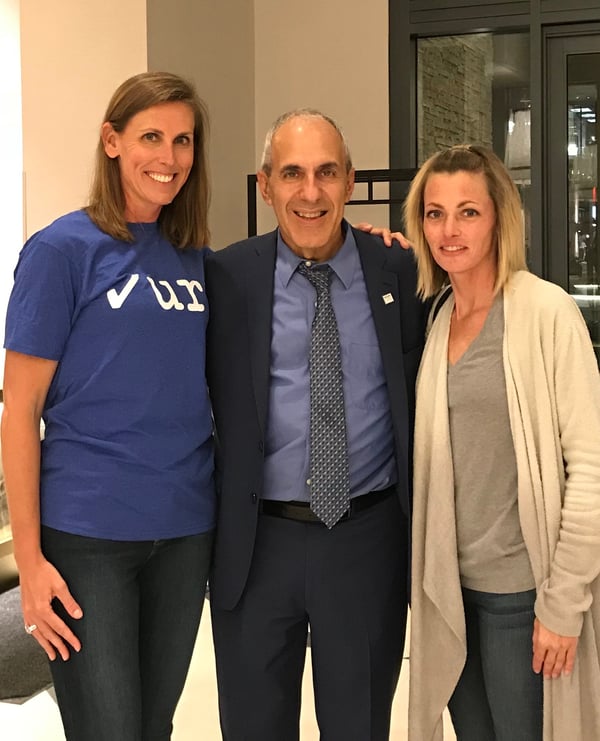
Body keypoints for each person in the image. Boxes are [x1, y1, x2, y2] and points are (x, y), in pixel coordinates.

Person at [1, 72, 215, 740]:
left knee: (152, 725)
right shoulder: (61, 251)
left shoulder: (195, 260)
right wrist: (30, 563)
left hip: (183, 532)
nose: (169, 156)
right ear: (112, 141)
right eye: (151, 136)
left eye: (182, 140)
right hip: (88, 538)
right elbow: (19, 411)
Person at [204, 109, 427, 741]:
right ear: (264, 185)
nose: (310, 192)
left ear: (350, 181)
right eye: (293, 174)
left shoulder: (402, 274)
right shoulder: (226, 277)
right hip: (256, 545)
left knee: (358, 725)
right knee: (252, 726)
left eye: (326, 173)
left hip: (367, 540)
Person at [404, 144, 600, 741]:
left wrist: (563, 603)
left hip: (522, 596)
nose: (450, 229)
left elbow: (591, 466)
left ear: (498, 219)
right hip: (451, 594)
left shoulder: (546, 312)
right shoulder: (436, 320)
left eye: (468, 212)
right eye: (434, 214)